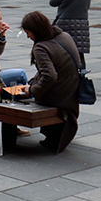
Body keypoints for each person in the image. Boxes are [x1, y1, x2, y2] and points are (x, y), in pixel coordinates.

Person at [20, 11, 80, 153]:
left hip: (58, 91)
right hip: (72, 87)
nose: (28, 37)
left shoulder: (41, 47)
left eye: (28, 33)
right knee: (31, 84)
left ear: (36, 30)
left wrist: (32, 90)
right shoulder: (64, 36)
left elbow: (50, 76)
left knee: (20, 96)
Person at [50, 0, 91, 68]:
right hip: (82, 23)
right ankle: (81, 72)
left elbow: (53, 2)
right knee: (79, 51)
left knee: (64, 48)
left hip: (65, 22)